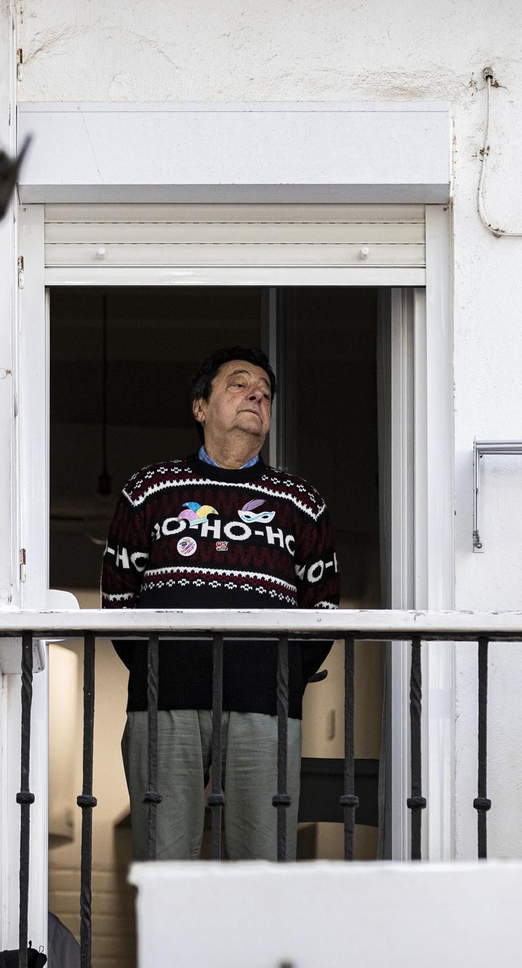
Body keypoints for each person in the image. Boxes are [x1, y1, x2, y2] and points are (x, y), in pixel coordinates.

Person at [100, 346, 341, 861]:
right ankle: (173, 948)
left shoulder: (301, 500)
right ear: (200, 407)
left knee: (262, 865)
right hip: (164, 699)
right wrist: (157, 664)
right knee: (164, 861)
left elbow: (323, 609)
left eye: (265, 392)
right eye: (238, 383)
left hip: (266, 703)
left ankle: (256, 949)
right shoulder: (149, 490)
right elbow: (117, 601)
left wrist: (283, 677)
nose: (257, 394)